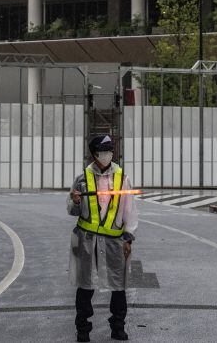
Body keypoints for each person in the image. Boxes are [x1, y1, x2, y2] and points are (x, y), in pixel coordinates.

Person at [67, 134, 138, 342]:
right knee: (85, 285)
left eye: (109, 152)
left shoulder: (121, 177)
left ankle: (118, 327)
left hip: (115, 241)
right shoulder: (82, 178)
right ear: (93, 155)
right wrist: (76, 201)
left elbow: (129, 210)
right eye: (101, 153)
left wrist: (128, 238)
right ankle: (83, 329)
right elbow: (71, 210)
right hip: (87, 240)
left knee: (118, 285)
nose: (106, 156)